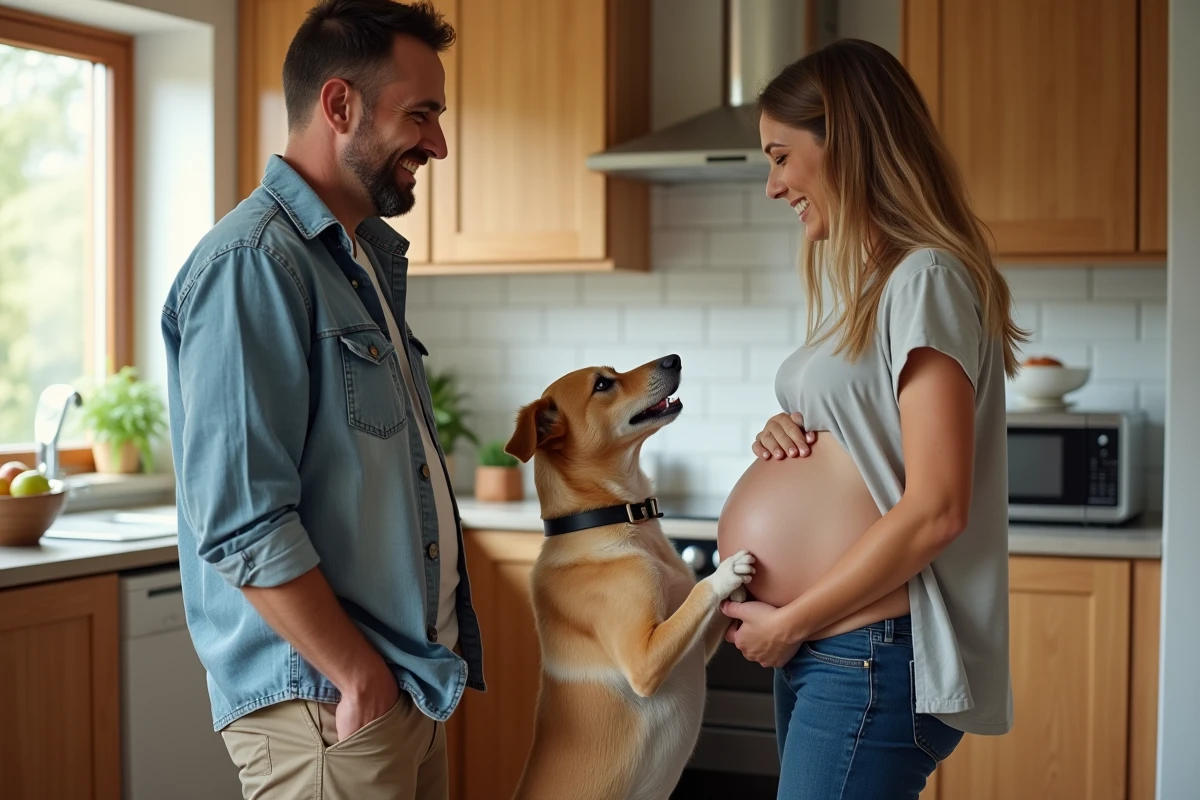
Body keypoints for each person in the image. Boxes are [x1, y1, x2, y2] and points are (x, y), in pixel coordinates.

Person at [160, 2, 483, 797]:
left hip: (397, 686)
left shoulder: (353, 258)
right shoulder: (254, 263)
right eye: (421, 114)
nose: (438, 143)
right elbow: (241, 518)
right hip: (329, 704)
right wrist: (357, 677)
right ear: (340, 106)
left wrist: (383, 679)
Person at [718, 38, 1024, 799]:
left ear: (846, 141)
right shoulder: (877, 286)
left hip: (869, 651)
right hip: (838, 647)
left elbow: (936, 509)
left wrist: (790, 623)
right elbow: (870, 445)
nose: (772, 184)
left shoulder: (926, 278)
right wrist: (785, 433)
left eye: (782, 156)